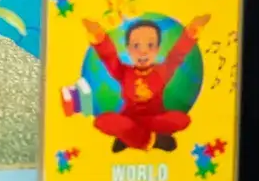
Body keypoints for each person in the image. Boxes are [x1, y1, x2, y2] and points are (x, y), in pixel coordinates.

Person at [83, 13, 210, 152]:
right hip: (130, 120)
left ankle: (129, 138)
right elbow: (109, 57)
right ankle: (153, 141)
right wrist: (99, 36)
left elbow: (177, 54)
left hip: (155, 119)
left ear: (157, 49)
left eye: (150, 45)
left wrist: (191, 31)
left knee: (182, 120)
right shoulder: (123, 71)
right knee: (102, 121)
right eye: (136, 46)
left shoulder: (162, 71)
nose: (143, 52)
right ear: (128, 49)